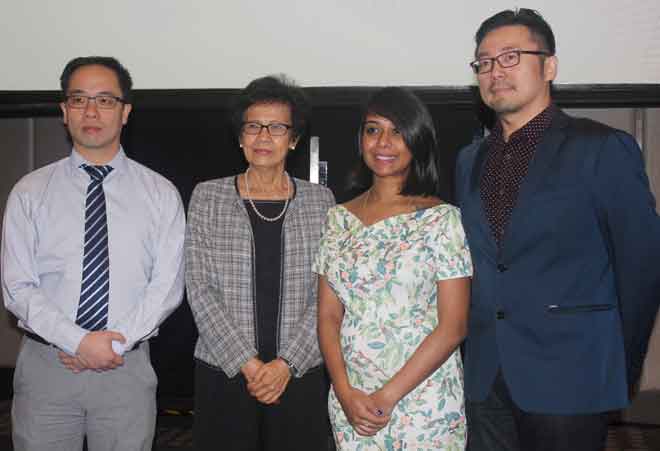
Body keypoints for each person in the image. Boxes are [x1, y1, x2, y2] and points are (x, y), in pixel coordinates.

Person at [455, 8, 660, 451]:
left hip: (572, 376)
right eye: (484, 62)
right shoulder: (469, 160)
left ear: (549, 66)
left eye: (511, 57)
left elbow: (642, 269)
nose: (495, 71)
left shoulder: (602, 148)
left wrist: (616, 369)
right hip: (485, 376)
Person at [1, 56, 186, 451]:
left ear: (125, 112)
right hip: (47, 367)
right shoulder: (30, 192)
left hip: (126, 367)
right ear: (64, 111)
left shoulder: (160, 194)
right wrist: (79, 342)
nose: (91, 111)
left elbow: (166, 287)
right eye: (79, 99)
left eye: (105, 100)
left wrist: (110, 346)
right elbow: (17, 286)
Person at [316, 87, 472, 450]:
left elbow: (454, 326)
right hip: (352, 398)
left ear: (418, 139)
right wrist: (343, 390)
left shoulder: (442, 220)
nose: (383, 142)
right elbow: (327, 316)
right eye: (373, 130)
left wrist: (386, 398)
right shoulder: (337, 219)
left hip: (422, 400)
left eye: (398, 130)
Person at [185, 74, 335, 451]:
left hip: (298, 373)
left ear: (294, 138)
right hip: (224, 371)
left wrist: (285, 365)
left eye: (277, 127)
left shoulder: (322, 202)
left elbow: (327, 292)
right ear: (240, 136)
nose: (264, 137)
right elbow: (200, 289)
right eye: (253, 126)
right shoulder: (208, 196)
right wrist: (250, 365)